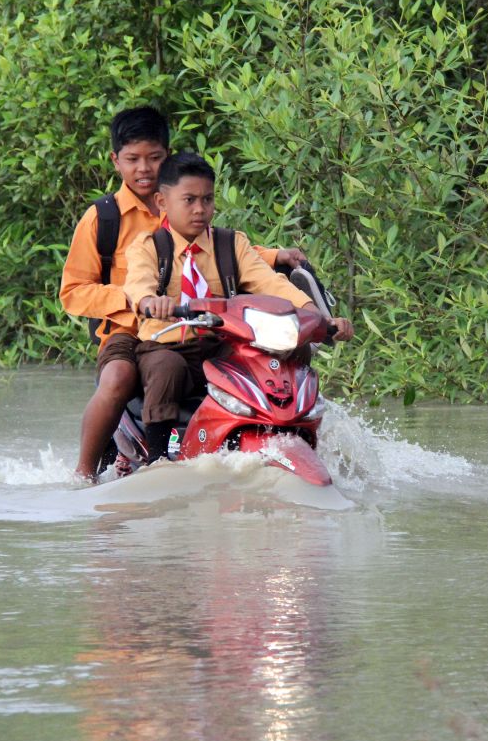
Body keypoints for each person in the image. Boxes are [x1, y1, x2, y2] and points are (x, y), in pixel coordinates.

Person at [60, 107, 308, 480]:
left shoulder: (183, 198)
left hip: (199, 325)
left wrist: (277, 258)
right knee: (119, 380)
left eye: (154, 158)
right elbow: (73, 292)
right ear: (116, 161)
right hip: (129, 331)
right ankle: (83, 473)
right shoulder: (104, 219)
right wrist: (133, 300)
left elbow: (223, 251)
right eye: (133, 160)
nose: (144, 168)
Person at [123, 152, 354, 462]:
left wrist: (315, 313)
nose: (200, 209)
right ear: (162, 202)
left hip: (222, 344)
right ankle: (158, 459)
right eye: (189, 200)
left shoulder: (232, 244)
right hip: (169, 344)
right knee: (167, 369)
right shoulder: (148, 246)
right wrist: (152, 302)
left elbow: (270, 282)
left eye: (207, 199)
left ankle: (304, 433)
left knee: (287, 354)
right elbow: (138, 284)